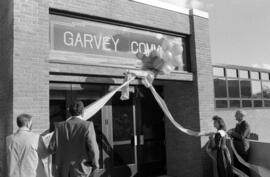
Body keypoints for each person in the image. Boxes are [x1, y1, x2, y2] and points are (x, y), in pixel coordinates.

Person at [48, 100, 100, 177]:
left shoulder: (59, 126)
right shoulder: (87, 125)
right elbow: (93, 149)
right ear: (82, 111)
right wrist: (96, 166)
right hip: (81, 170)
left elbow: (51, 148)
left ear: (70, 112)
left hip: (62, 170)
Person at [228, 110, 251, 176]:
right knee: (237, 166)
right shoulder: (238, 125)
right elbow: (236, 134)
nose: (234, 116)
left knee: (243, 167)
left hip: (242, 149)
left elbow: (241, 136)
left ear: (241, 116)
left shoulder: (246, 124)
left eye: (236, 114)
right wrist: (230, 133)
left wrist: (232, 132)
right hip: (236, 149)